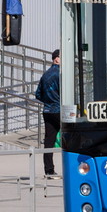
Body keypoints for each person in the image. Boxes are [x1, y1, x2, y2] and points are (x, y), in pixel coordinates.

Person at [37, 49, 61, 178]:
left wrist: (48, 102)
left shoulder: (45, 75)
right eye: (62, 57)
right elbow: (66, 92)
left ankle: (49, 170)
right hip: (59, 110)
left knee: (49, 141)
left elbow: (38, 94)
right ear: (56, 59)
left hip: (47, 111)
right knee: (73, 136)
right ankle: (76, 167)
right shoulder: (60, 74)